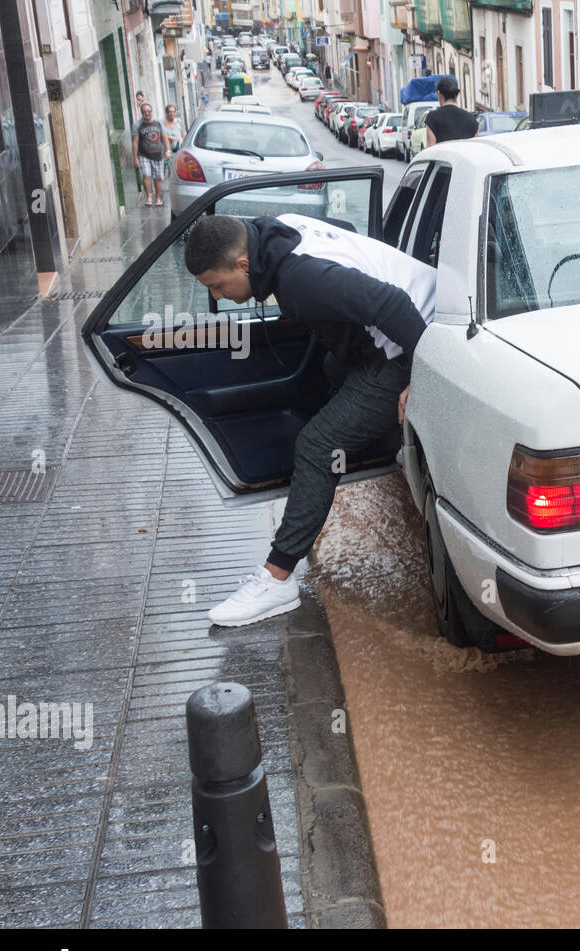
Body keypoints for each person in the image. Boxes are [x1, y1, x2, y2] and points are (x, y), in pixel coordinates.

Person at [183, 214, 436, 626]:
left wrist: (421, 375)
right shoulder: (281, 229)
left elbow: (392, 305)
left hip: (420, 334)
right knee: (329, 371)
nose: (218, 296)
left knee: (317, 445)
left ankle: (277, 578)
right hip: (399, 330)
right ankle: (391, 451)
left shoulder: (300, 279)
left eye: (217, 285)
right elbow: (345, 230)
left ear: (243, 265)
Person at [424, 75, 478, 147]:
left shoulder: (432, 117)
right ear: (456, 95)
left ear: (439, 94)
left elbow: (431, 146)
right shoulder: (471, 119)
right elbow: (476, 147)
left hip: (442, 157)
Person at [134, 103, 169, 207]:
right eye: (144, 112)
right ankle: (149, 196)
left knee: (158, 178)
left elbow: (164, 137)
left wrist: (168, 150)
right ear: (142, 113)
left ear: (151, 112)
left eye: (148, 111)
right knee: (146, 175)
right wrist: (135, 158)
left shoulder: (158, 123)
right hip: (144, 155)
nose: (147, 114)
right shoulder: (137, 125)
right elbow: (135, 142)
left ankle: (158, 198)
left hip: (158, 155)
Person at [162, 104, 183, 179]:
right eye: (170, 112)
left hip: (177, 148)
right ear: (166, 113)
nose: (172, 114)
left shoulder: (179, 121)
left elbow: (181, 134)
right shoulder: (162, 123)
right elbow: (160, 135)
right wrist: (169, 137)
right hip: (167, 149)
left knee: (177, 169)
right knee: (167, 169)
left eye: (173, 112)